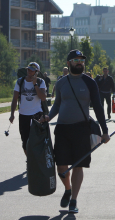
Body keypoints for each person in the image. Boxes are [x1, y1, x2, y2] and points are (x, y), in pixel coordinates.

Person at [40, 49, 110, 214]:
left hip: (81, 129)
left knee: (78, 165)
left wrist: (105, 131)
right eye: (76, 60)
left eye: (82, 60)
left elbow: (98, 107)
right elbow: (57, 104)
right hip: (62, 128)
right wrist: (49, 117)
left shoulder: (90, 82)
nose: (80, 62)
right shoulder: (62, 83)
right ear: (69, 63)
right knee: (61, 166)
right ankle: (68, 188)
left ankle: (73, 200)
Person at [9, 62, 46, 157]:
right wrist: (12, 114)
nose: (29, 72)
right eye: (28, 69)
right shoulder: (20, 81)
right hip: (23, 115)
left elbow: (43, 97)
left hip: (37, 114)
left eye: (32, 70)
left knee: (36, 140)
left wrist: (35, 85)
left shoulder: (41, 82)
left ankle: (35, 161)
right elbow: (14, 98)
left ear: (36, 72)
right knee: (25, 141)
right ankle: (30, 160)